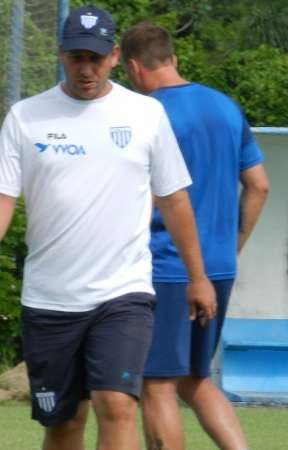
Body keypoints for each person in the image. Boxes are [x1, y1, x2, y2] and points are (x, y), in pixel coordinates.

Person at [0, 6, 216, 450]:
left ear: (116, 56)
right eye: (77, 57)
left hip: (123, 292)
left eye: (95, 58)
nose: (86, 68)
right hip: (50, 297)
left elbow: (174, 199)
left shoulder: (145, 115)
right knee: (63, 422)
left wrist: (198, 277)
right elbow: (4, 199)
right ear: (61, 55)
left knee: (117, 405)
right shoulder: (26, 117)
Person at [121, 21, 270, 450]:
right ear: (173, 58)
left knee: (157, 385)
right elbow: (259, 185)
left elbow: (147, 196)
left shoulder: (147, 114)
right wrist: (230, 248)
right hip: (218, 268)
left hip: (167, 267)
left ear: (132, 67)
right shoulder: (225, 106)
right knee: (195, 379)